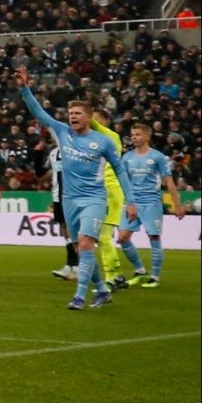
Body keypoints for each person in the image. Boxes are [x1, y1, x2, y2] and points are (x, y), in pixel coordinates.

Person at [14, 65, 126, 310]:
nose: (72, 116)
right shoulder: (63, 133)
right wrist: (25, 90)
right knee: (80, 247)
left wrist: (131, 201)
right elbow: (39, 113)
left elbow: (119, 171)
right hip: (69, 200)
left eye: (77, 113)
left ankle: (79, 295)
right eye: (70, 113)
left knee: (86, 245)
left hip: (94, 200)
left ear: (89, 117)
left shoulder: (104, 142)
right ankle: (104, 291)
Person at [117, 120, 183, 288]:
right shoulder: (127, 157)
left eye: (138, 134)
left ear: (147, 136)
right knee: (123, 238)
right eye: (132, 135)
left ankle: (155, 276)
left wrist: (177, 204)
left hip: (151, 202)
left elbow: (168, 181)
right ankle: (140, 271)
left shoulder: (157, 157)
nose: (134, 137)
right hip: (132, 203)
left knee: (154, 237)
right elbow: (124, 182)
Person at [88, 109, 129, 289]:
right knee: (102, 237)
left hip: (111, 191)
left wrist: (82, 113)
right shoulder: (94, 142)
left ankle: (111, 277)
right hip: (99, 191)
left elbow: (92, 124)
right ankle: (118, 275)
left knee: (104, 236)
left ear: (104, 121)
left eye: (96, 120)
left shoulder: (112, 136)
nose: (93, 123)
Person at [47, 145, 79, 282]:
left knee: (74, 230)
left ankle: (78, 267)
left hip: (72, 195)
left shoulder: (74, 151)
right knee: (64, 229)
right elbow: (53, 175)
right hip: (57, 195)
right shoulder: (53, 152)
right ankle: (69, 265)